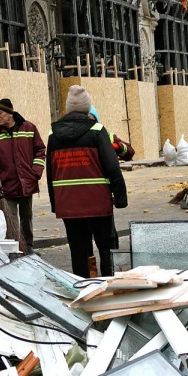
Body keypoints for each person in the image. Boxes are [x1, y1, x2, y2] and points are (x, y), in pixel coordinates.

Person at [47, 85, 127, 277]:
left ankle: (84, 288)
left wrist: (55, 203)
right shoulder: (97, 131)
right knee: (107, 248)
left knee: (78, 251)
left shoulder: (53, 135)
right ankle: (109, 286)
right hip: (97, 202)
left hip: (68, 205)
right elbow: (112, 167)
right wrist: (120, 197)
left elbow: (51, 173)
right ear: (87, 107)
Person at [0, 98, 46, 254]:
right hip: (6, 184)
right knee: (11, 220)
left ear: (10, 113)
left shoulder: (29, 128)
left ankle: (28, 246)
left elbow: (40, 151)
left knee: (27, 218)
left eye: (0, 113)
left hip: (26, 182)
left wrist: (36, 172)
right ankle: (16, 248)